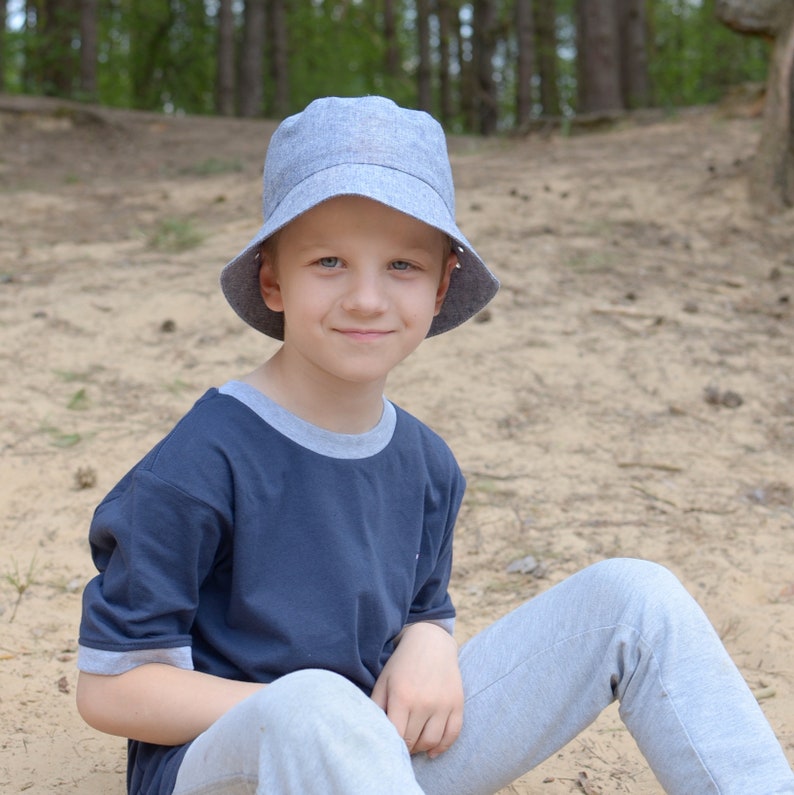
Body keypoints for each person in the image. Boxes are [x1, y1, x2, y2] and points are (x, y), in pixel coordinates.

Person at [76, 96, 794, 795]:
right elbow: (111, 688)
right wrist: (327, 711)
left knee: (635, 598)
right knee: (314, 701)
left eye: (402, 266)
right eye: (328, 261)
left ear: (443, 282)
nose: (365, 298)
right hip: (235, 761)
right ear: (272, 277)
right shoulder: (201, 461)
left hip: (385, 750)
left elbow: (424, 605)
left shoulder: (426, 463)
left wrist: (430, 641)